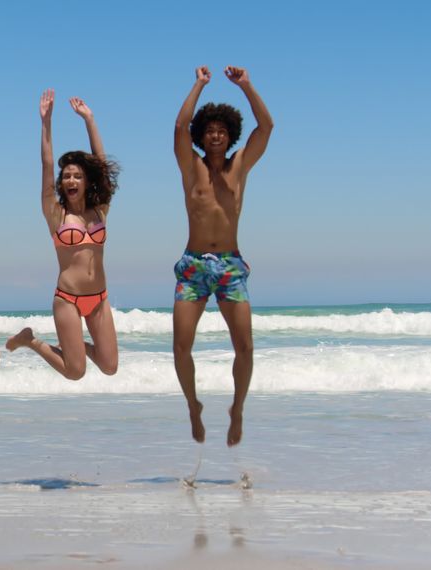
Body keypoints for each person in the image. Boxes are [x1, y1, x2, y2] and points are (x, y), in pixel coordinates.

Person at [172, 66, 273, 446]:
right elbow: (180, 128)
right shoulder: (191, 166)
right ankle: (193, 405)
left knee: (245, 347)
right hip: (194, 264)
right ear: (203, 135)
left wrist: (247, 85)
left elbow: (267, 127)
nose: (215, 135)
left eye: (222, 130)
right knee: (181, 347)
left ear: (230, 135)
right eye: (210, 130)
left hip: (231, 265)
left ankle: (238, 409)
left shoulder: (239, 166)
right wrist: (198, 84)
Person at [6, 91, 120, 381]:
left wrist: (89, 119)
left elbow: (102, 166)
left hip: (99, 298)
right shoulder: (55, 214)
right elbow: (46, 165)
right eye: (67, 176)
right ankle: (32, 340)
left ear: (86, 182)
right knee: (75, 371)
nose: (71, 180)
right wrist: (46, 122)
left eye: (78, 176)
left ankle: (72, 347)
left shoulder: (100, 210)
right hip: (67, 298)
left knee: (109, 366)